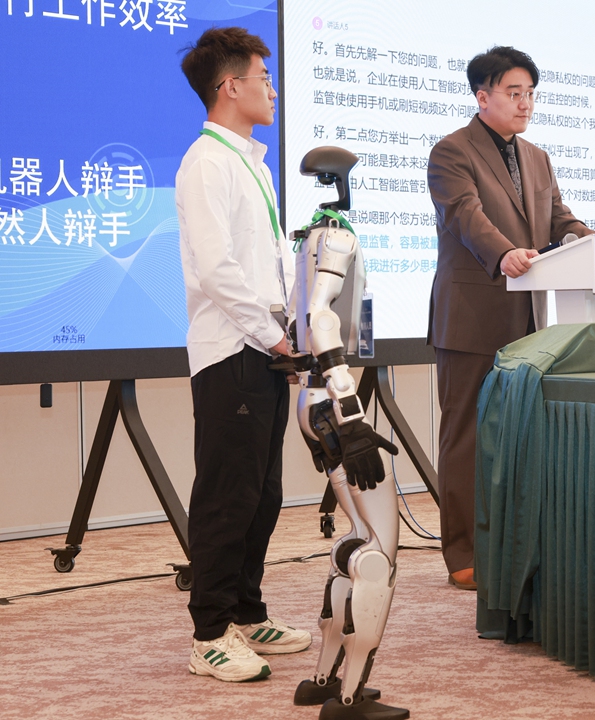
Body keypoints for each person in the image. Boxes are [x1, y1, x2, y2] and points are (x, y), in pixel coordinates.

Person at [427, 46, 593, 591]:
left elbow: (559, 219)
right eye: (513, 93)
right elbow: (464, 215)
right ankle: (464, 553)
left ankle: (515, 542)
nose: (525, 104)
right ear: (483, 96)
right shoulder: (452, 152)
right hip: (472, 313)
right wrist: (503, 253)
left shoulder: (538, 157)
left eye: (530, 94)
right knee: (467, 435)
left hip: (531, 319)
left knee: (521, 433)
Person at [176, 26, 311, 682]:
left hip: (264, 347)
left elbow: (262, 267)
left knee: (263, 492)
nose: (273, 88)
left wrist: (287, 331)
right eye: (263, 76)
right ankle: (207, 634)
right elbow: (216, 270)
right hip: (234, 350)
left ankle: (246, 611)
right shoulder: (206, 163)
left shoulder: (248, 162)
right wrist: (273, 335)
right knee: (228, 492)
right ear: (230, 87)